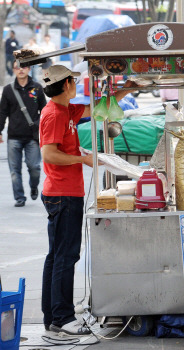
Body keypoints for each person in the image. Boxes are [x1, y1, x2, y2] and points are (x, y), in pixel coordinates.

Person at [40, 65, 136, 335]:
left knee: (57, 255)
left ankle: (53, 314)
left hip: (65, 192)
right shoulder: (54, 114)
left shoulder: (66, 110)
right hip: (62, 194)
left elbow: (97, 105)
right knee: (65, 256)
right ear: (68, 83)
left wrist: (129, 87)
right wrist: (83, 159)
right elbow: (49, 154)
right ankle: (62, 317)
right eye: (74, 80)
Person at [0, 62, 46, 207]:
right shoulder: (8, 90)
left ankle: (33, 186)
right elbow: (2, 113)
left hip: (32, 136)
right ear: (13, 70)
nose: (21, 69)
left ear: (29, 68)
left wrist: (40, 127)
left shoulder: (37, 88)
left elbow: (44, 111)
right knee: (14, 170)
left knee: (34, 168)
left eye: (24, 66)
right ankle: (19, 197)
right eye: (17, 67)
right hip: (14, 136)